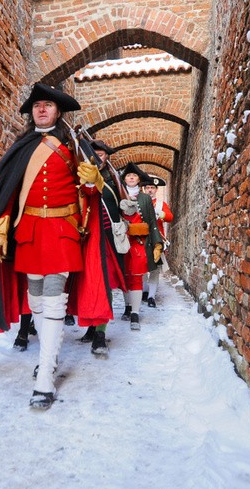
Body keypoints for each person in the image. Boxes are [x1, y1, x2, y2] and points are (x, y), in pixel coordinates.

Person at [0, 82, 97, 410]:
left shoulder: (72, 144)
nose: (41, 109)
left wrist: (90, 180)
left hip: (62, 229)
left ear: (58, 110)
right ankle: (51, 356)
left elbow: (88, 194)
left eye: (47, 105)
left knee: (55, 298)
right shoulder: (23, 145)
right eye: (36, 106)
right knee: (36, 299)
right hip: (28, 230)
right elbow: (9, 192)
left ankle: (45, 374)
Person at [70, 139, 127, 356]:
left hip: (107, 240)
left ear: (107, 158)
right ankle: (91, 326)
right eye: (95, 154)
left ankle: (100, 332)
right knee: (87, 283)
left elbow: (116, 205)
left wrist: (100, 184)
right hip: (86, 237)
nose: (98, 157)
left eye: (102, 154)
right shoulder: (81, 174)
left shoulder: (112, 180)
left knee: (103, 284)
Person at [118, 163, 164, 331]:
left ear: (139, 180)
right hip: (121, 241)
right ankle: (127, 307)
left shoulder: (145, 199)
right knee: (124, 276)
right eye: (128, 176)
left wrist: (157, 242)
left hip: (139, 243)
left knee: (137, 276)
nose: (131, 178)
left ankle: (135, 313)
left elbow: (152, 222)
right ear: (124, 179)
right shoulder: (118, 194)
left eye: (134, 176)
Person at [141, 176, 173, 308]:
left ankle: (151, 297)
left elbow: (170, 217)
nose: (150, 190)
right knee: (142, 268)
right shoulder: (140, 202)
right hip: (142, 239)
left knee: (155, 270)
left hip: (156, 240)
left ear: (156, 189)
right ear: (144, 189)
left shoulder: (160, 204)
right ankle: (144, 290)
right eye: (148, 188)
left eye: (152, 188)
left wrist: (162, 214)